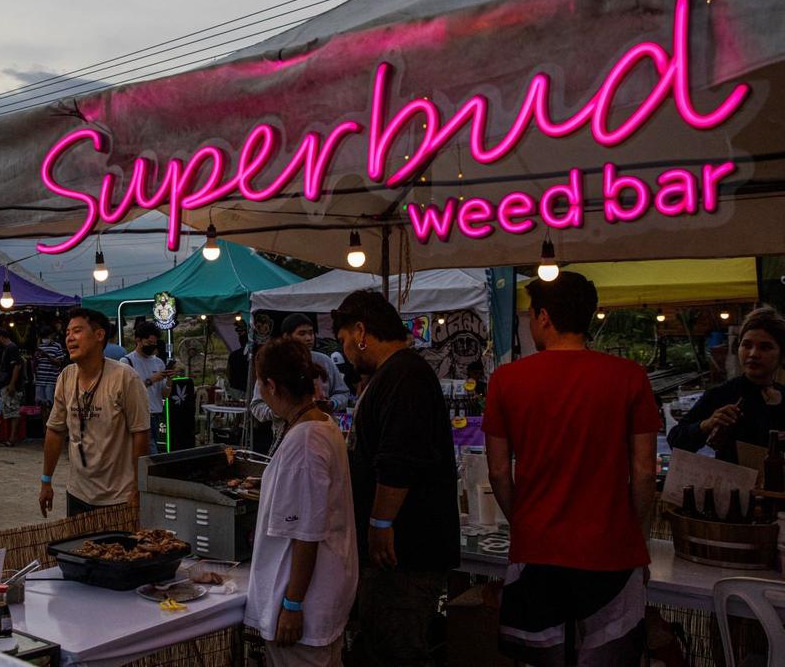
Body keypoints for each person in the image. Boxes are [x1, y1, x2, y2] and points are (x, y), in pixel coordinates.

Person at [485, 272, 657, 664]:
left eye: (531, 316)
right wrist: (636, 534)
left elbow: (497, 472)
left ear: (544, 317)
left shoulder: (506, 380)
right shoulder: (631, 377)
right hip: (613, 551)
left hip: (537, 550)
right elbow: (645, 471)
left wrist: (524, 521)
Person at [332, 290, 460, 666]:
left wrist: (380, 523)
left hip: (406, 553)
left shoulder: (405, 375)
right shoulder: (392, 375)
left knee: (397, 649)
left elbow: (399, 461)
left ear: (360, 331)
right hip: (397, 553)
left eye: (343, 341)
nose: (346, 353)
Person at [245, 338, 358, 666]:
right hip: (325, 591)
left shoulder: (305, 441)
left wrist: (293, 605)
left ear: (270, 385)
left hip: (306, 604)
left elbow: (306, 535)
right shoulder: (320, 424)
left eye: (259, 384)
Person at [39, 308, 151, 517]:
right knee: (79, 549)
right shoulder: (66, 377)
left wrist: (138, 487)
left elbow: (140, 434)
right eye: (67, 333)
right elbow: (55, 431)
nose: (69, 338)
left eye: (77, 331)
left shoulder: (125, 378)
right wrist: (46, 480)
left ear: (99, 335)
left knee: (115, 550)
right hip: (77, 493)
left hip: (118, 497)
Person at [668, 307, 785, 462]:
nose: (753, 354)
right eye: (747, 345)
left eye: (765, 347)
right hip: (735, 483)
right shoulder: (722, 394)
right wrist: (706, 425)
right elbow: (676, 440)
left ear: (781, 354)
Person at [251, 313, 350, 455]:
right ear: (286, 337)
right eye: (302, 334)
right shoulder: (273, 364)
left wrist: (332, 404)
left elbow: (343, 393)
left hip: (323, 432)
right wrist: (280, 411)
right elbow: (256, 406)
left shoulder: (324, 361)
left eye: (311, 333)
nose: (309, 338)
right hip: (285, 436)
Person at [120, 322, 175, 454]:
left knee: (145, 451)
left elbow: (165, 394)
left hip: (156, 413)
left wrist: (169, 379)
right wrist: (152, 379)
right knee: (150, 452)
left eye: (154, 344)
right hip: (139, 414)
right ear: (138, 340)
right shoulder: (126, 362)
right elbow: (126, 390)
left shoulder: (158, 362)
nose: (152, 346)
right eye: (149, 343)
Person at [0, 328, 24, 444]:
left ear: (1, 337)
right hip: (6, 383)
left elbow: (17, 366)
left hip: (11, 384)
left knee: (13, 411)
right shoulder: (6, 349)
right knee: (9, 411)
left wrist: (12, 384)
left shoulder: (12, 348)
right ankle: (10, 436)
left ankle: (12, 437)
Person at [33, 325, 67, 428]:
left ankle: (53, 428)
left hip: (51, 380)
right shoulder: (39, 346)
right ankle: (45, 430)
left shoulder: (56, 346)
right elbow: (35, 364)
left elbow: (59, 362)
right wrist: (35, 360)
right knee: (42, 406)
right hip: (40, 380)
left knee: (51, 405)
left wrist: (46, 356)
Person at [226, 322, 250, 400]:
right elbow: (228, 373)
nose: (240, 336)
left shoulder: (234, 355)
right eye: (239, 333)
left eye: (242, 332)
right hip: (238, 389)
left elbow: (228, 373)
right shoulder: (234, 355)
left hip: (239, 389)